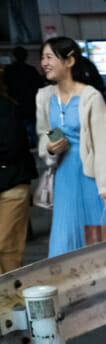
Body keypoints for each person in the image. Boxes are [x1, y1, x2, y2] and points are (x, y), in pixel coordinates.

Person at [36, 37, 106, 257]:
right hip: (65, 175)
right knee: (65, 237)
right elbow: (45, 130)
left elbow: (103, 144)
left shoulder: (90, 97)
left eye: (50, 57)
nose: (44, 63)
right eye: (43, 58)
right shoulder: (44, 97)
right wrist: (51, 147)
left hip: (92, 176)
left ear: (69, 61)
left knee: (101, 238)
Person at [0, 81, 35, 273]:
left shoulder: (6, 109)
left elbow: (13, 145)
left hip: (12, 183)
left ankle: (13, 298)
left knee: (6, 247)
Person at [4, 46, 44, 148]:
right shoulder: (30, 70)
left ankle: (28, 146)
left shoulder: (9, 70)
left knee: (21, 129)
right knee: (34, 127)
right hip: (30, 105)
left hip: (16, 105)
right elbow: (39, 85)